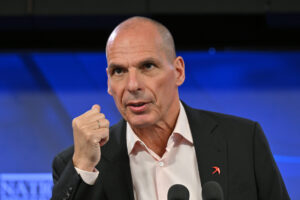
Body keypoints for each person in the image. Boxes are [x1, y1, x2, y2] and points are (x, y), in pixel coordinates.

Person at [51, 16, 290, 200]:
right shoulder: (79, 164)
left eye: (147, 66)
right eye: (119, 71)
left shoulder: (243, 141)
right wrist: (82, 165)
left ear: (178, 71)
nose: (132, 85)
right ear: (108, 82)